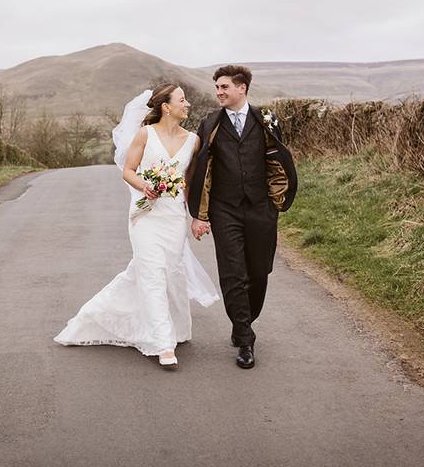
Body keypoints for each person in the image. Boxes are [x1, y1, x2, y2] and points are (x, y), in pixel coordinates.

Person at [53, 84, 220, 369]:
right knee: (152, 273)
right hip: (145, 215)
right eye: (182, 100)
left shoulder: (193, 141)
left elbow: (190, 184)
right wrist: (145, 186)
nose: (188, 104)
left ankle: (119, 319)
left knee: (170, 272)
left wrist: (197, 216)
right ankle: (163, 343)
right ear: (166, 107)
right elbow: (128, 171)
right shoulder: (145, 134)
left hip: (173, 217)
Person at [186, 65, 298, 369]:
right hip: (224, 209)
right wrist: (200, 214)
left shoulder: (266, 120)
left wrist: (274, 202)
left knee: (259, 272)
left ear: (242, 88)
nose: (219, 92)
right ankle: (245, 338)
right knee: (233, 272)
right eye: (217, 88)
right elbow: (201, 167)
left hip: (261, 208)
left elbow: (279, 160)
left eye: (224, 87)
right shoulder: (210, 123)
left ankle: (243, 321)